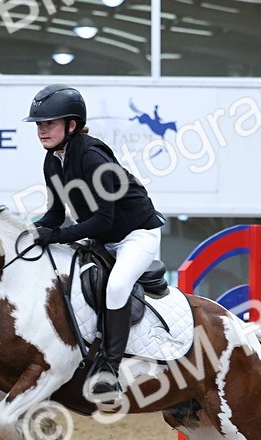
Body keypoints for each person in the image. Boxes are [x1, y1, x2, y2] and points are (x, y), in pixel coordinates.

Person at [25, 84, 165, 401]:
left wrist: (57, 235)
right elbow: (55, 214)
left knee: (116, 287)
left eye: (49, 123)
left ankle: (110, 369)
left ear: (71, 125)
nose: (42, 130)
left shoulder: (92, 156)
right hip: (103, 238)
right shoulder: (52, 161)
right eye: (39, 124)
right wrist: (28, 232)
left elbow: (103, 219)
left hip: (136, 235)